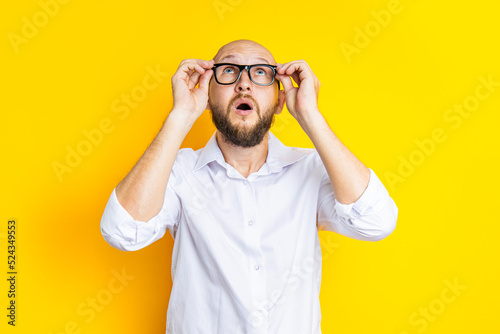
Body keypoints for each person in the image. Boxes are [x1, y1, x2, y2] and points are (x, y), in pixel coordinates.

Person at [100, 39, 398, 334]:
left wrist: (310, 115)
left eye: (260, 73)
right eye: (229, 71)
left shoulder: (311, 170)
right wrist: (180, 117)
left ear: (279, 100)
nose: (244, 83)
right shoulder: (177, 172)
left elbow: (376, 222)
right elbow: (123, 231)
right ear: (207, 95)